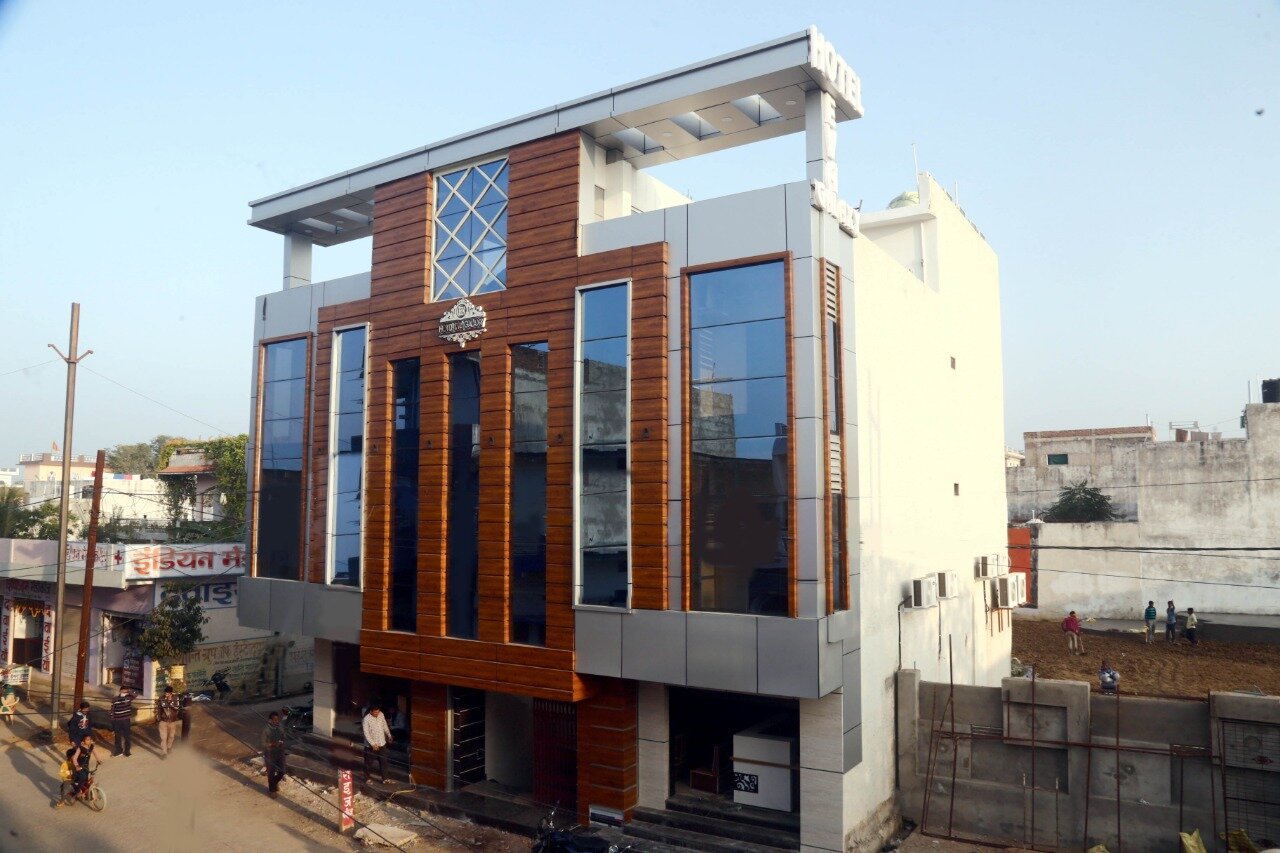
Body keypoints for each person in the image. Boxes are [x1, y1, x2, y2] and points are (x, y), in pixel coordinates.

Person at [362, 706, 393, 784]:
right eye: (375, 712)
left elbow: (384, 726)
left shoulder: (381, 715)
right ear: (371, 711)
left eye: (378, 712)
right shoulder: (366, 719)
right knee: (368, 763)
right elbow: (366, 733)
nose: (377, 714)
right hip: (371, 746)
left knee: (384, 762)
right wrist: (372, 744)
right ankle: (367, 778)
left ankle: (385, 779)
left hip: (382, 743)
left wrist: (389, 735)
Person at [261, 711, 286, 798]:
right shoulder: (266, 730)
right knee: (271, 773)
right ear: (270, 720)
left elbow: (283, 736)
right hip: (270, 753)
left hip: (280, 752)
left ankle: (274, 783)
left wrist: (282, 742)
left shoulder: (280, 727)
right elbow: (263, 744)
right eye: (274, 720)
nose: (276, 721)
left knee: (282, 771)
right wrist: (273, 744)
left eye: (277, 719)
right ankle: (272, 790)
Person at [156, 685, 182, 757]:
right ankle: (164, 753)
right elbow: (158, 709)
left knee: (171, 736)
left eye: (167, 693)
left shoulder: (176, 698)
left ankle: (169, 747)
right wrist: (158, 718)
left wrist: (170, 702)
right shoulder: (161, 698)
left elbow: (177, 708)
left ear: (171, 693)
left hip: (172, 721)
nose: (166, 694)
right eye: (165, 693)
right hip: (163, 721)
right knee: (163, 738)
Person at [110, 687, 135, 757]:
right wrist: (112, 720)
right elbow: (112, 711)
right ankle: (118, 751)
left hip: (126, 720)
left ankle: (127, 751)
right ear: (120, 691)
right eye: (123, 691)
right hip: (117, 720)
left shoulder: (129, 698)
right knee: (117, 737)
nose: (124, 692)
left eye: (125, 691)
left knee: (127, 736)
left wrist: (129, 691)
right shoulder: (115, 699)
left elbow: (135, 695)